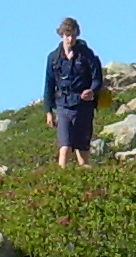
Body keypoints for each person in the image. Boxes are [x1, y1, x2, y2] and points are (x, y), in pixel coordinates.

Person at [43, 18, 105, 168]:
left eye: (74, 35)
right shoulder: (53, 58)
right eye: (67, 35)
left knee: (82, 149)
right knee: (65, 147)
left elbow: (97, 79)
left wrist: (92, 91)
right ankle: (60, 180)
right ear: (61, 35)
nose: (71, 39)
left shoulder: (87, 55)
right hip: (63, 105)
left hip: (83, 106)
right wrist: (48, 111)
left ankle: (84, 179)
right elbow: (49, 84)